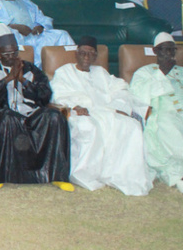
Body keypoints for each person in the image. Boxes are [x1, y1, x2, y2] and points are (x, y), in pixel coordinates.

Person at [51, 36, 152, 195]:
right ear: (76, 54)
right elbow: (58, 95)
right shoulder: (64, 72)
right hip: (78, 114)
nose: (86, 57)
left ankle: (119, 174)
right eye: (83, 53)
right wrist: (75, 106)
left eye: (91, 53)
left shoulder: (101, 73)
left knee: (131, 126)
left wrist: (118, 107)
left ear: (96, 56)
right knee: (89, 126)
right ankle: (85, 175)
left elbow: (121, 89)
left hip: (106, 111)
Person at [0, 35, 72, 189]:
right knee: (9, 119)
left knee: (55, 117)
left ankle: (56, 175)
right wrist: (7, 79)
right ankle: (0, 175)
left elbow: (45, 95)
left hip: (31, 113)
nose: (11, 57)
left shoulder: (31, 69)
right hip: (4, 112)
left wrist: (23, 81)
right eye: (6, 54)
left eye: (14, 53)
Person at [129, 33, 183, 193]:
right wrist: (162, 73)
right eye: (164, 50)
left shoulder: (181, 71)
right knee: (167, 124)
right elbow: (137, 94)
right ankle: (177, 174)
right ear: (155, 51)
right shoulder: (145, 72)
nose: (168, 54)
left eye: (171, 50)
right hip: (163, 112)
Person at [0, 0, 75, 67]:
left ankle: (71, 68)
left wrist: (40, 26)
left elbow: (42, 18)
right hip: (15, 37)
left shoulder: (25, 1)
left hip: (34, 35)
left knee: (62, 35)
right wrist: (16, 27)